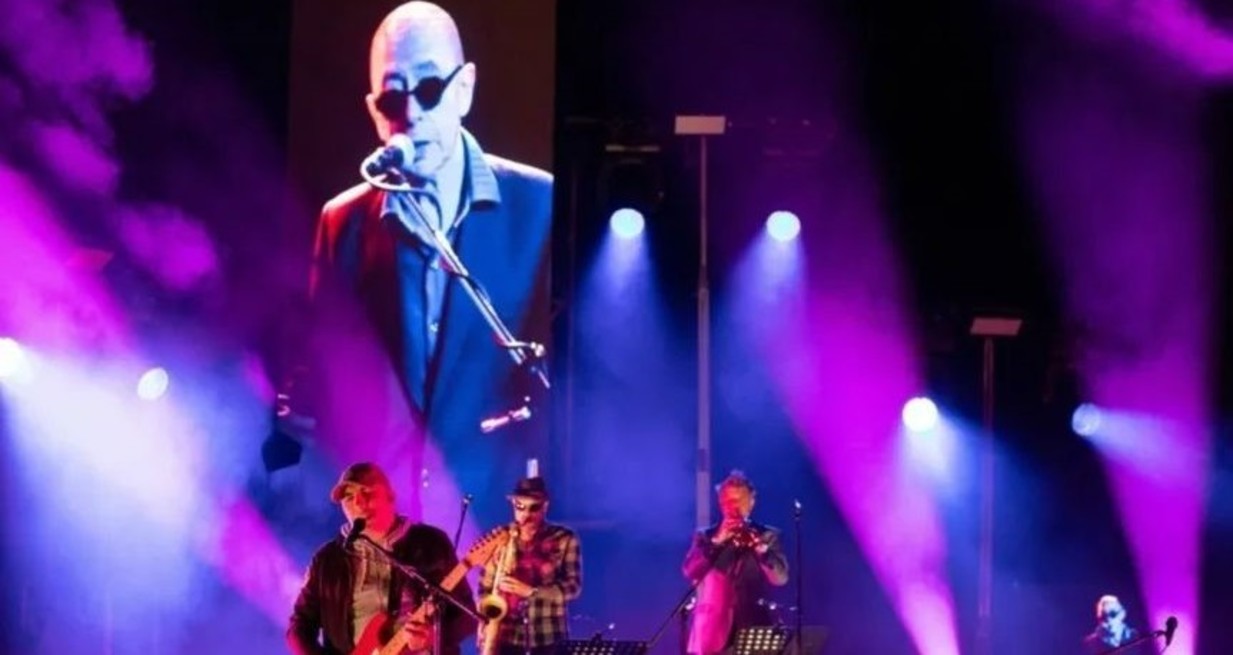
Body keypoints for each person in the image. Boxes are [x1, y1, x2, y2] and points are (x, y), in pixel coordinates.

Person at [306, 0, 553, 516]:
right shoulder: (342, 222)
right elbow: (326, 376)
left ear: (464, 89)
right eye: (393, 97)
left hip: (491, 520)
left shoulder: (537, 204)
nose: (412, 112)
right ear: (375, 112)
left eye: (430, 88)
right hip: (384, 521)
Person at [287, 462, 478, 654]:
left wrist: (434, 637)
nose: (359, 503)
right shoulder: (327, 560)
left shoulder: (431, 542)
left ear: (390, 495)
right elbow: (299, 627)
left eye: (367, 492)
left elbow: (467, 615)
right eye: (349, 498)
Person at [683, 471, 789, 655]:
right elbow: (690, 571)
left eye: (739, 501)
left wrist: (762, 551)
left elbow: (780, 579)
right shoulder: (705, 536)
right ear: (720, 503)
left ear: (751, 503)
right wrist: (716, 541)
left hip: (753, 626)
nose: (734, 507)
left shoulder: (768, 535)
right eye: (728, 501)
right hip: (712, 630)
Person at [476, 476, 582, 655]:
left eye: (534, 508)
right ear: (513, 505)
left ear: (545, 506)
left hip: (548, 637)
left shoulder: (565, 539)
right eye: (520, 507)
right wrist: (484, 619)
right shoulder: (500, 537)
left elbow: (573, 587)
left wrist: (531, 592)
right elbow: (484, 588)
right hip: (506, 638)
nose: (526, 515)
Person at [1082, 594, 1149, 654]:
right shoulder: (1091, 643)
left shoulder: (1135, 636)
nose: (1109, 620)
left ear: (1123, 613)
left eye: (1113, 614)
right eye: (1104, 616)